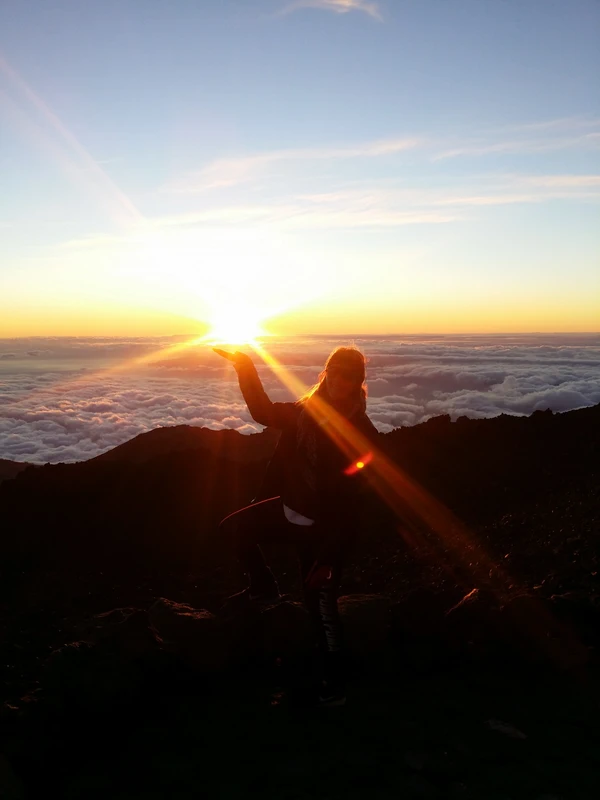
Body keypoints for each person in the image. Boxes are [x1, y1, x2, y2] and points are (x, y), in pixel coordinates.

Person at [214, 344, 382, 708]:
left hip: (324, 533)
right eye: (335, 371)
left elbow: (353, 506)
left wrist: (328, 559)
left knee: (320, 607)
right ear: (326, 372)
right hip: (289, 509)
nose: (340, 380)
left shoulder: (361, 433)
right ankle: (263, 587)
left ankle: (334, 684)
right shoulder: (304, 412)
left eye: (349, 375)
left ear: (358, 382)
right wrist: (245, 366)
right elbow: (262, 411)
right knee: (233, 530)